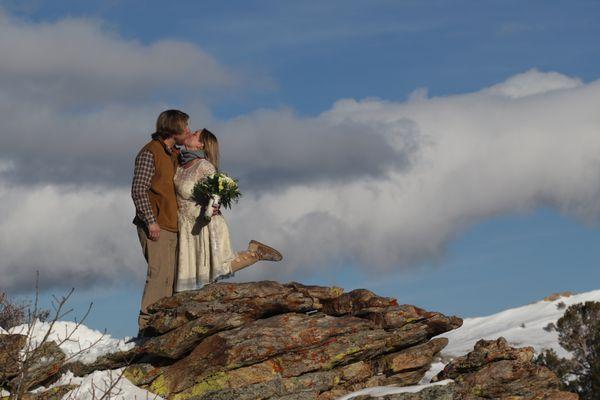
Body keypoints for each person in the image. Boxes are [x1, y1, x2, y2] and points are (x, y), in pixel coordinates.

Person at [173, 128, 282, 292]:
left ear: (201, 144)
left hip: (205, 225)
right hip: (185, 225)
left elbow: (217, 191)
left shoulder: (204, 166)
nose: (189, 133)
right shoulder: (180, 165)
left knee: (216, 268)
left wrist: (215, 204)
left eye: (195, 134)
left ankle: (255, 254)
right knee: (190, 271)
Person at [131, 109, 200, 331]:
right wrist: (151, 221)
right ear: (173, 128)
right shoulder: (149, 153)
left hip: (173, 224)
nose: (188, 130)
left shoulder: (174, 154)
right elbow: (139, 190)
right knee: (158, 274)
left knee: (172, 278)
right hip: (156, 224)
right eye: (185, 126)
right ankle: (146, 325)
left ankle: (165, 325)